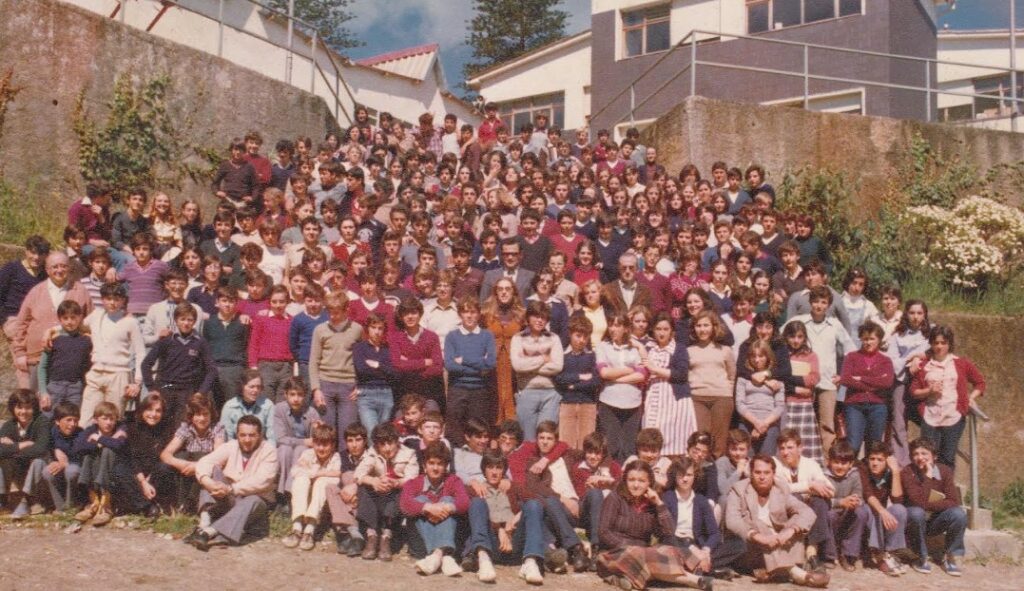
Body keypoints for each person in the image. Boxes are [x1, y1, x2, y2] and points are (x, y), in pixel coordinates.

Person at [596, 460, 714, 591]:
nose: (636, 485)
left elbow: (669, 532)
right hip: (614, 552)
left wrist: (658, 503)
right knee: (638, 555)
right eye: (631, 480)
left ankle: (626, 578)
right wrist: (628, 547)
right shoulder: (615, 498)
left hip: (644, 554)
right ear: (625, 481)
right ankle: (693, 580)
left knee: (669, 550)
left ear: (649, 483)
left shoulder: (651, 504)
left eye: (641, 481)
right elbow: (604, 532)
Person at [724, 454, 829, 588]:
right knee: (759, 524)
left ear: (773, 474)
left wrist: (790, 531)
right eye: (757, 472)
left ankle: (774, 571)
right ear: (751, 473)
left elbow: (807, 512)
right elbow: (732, 521)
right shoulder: (738, 490)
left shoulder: (780, 488)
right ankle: (798, 574)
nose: (762, 477)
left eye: (767, 472)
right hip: (752, 545)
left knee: (797, 521)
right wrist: (758, 536)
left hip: (778, 542)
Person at [187, 415, 279, 550]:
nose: (247, 440)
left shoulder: (269, 450)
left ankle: (209, 532)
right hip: (230, 497)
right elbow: (205, 462)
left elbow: (262, 481)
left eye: (252, 435)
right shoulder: (231, 446)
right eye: (243, 435)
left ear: (260, 435)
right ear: (237, 435)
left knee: (253, 500)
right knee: (211, 470)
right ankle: (204, 523)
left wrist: (231, 489)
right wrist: (210, 483)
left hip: (255, 503)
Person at [785, 286, 854, 459]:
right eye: (815, 301)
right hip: (801, 380)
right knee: (799, 424)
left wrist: (843, 375)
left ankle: (827, 461)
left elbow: (850, 350)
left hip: (826, 381)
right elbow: (780, 338)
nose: (819, 306)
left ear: (829, 305)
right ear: (810, 302)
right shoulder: (800, 320)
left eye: (823, 302)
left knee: (826, 425)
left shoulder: (835, 324)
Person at [10, 252, 93, 394]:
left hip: (70, 360)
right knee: (36, 399)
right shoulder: (36, 292)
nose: (59, 270)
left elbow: (91, 321)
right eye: (55, 267)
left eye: (63, 266)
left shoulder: (80, 291)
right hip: (37, 357)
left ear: (69, 268)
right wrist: (20, 353)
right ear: (47, 270)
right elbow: (21, 323)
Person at [463, 450, 549, 584]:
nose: (494, 472)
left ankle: (530, 562)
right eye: (490, 467)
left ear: (504, 470)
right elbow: (462, 505)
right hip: (490, 543)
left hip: (515, 542)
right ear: (484, 470)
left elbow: (541, 503)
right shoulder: (476, 489)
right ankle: (483, 560)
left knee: (533, 505)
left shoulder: (511, 486)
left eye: (498, 467)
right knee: (477, 503)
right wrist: (499, 528)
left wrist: (517, 517)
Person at [910, 325, 985, 469]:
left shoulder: (961, 363)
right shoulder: (924, 365)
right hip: (930, 417)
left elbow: (980, 383)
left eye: (943, 343)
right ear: (931, 344)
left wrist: (971, 397)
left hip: (953, 416)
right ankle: (930, 483)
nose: (939, 346)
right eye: (936, 343)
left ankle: (946, 484)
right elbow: (914, 391)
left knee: (948, 458)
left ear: (949, 344)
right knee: (928, 458)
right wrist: (929, 391)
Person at [665, 457, 744, 579]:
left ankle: (698, 566)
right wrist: (690, 548)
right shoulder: (667, 498)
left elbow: (714, 533)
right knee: (670, 551)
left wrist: (706, 550)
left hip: (698, 544)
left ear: (695, 476)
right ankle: (707, 568)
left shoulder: (701, 500)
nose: (685, 479)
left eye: (689, 475)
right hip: (676, 543)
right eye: (681, 475)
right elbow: (666, 533)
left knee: (739, 545)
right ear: (675, 476)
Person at [399, 441, 470, 576]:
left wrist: (447, 507)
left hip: (447, 538)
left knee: (448, 500)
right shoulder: (414, 483)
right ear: (424, 465)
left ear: (446, 466)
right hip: (421, 542)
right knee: (421, 500)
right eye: (431, 463)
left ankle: (437, 555)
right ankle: (445, 555)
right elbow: (404, 504)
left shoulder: (454, 481)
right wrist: (428, 508)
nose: (435, 468)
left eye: (440, 464)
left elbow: (465, 502)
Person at [141, 303, 217, 425]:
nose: (186, 323)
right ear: (176, 320)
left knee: (182, 425)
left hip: (187, 392)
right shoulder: (166, 340)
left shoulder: (201, 343)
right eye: (182, 319)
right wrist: (152, 388)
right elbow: (146, 364)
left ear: (194, 322)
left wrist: (201, 392)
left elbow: (211, 370)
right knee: (162, 424)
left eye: (190, 320)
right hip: (165, 390)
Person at [80, 281, 145, 424]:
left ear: (123, 300)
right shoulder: (96, 315)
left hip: (118, 376)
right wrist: (52, 331)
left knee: (112, 421)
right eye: (108, 299)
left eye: (117, 299)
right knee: (86, 421)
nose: (112, 303)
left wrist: (137, 382)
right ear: (103, 299)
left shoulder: (130, 322)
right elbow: (75, 327)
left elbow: (140, 352)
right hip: (96, 374)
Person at [354, 422, 420, 561]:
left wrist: (397, 482)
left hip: (395, 494)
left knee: (402, 491)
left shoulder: (408, 453)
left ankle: (386, 536)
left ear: (397, 441)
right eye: (382, 444)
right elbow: (359, 474)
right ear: (377, 445)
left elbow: (413, 478)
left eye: (390, 443)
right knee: (364, 486)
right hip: (378, 493)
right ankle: (371, 536)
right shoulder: (372, 452)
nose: (387, 448)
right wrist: (374, 481)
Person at [901, 437, 968, 576]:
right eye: (915, 454)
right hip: (913, 523)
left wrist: (929, 505)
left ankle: (952, 556)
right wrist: (928, 477)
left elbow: (953, 501)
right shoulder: (907, 472)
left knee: (959, 514)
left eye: (924, 453)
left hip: (934, 521)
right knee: (917, 512)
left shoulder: (945, 471)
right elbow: (917, 503)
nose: (920, 457)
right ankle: (920, 556)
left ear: (934, 456)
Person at [773, 429, 836, 571]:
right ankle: (800, 553)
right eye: (782, 448)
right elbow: (781, 489)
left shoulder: (810, 464)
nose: (785, 452)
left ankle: (812, 550)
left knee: (820, 501)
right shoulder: (775, 463)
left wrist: (815, 487)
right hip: (785, 508)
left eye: (790, 447)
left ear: (800, 448)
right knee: (796, 498)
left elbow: (830, 490)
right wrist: (809, 486)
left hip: (811, 508)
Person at [309, 291, 362, 450]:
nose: (332, 316)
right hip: (326, 385)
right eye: (330, 312)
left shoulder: (357, 329)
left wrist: (360, 386)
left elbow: (363, 361)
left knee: (347, 432)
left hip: (348, 387)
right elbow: (314, 361)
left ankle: (345, 463)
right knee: (326, 432)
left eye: (337, 312)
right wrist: (316, 389)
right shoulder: (320, 330)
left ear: (346, 310)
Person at [443, 297, 497, 444]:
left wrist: (463, 360)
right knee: (455, 430)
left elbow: (490, 364)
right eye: (466, 312)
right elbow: (450, 365)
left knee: (478, 430)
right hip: (457, 389)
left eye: (473, 312)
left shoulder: (487, 336)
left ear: (479, 314)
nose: (469, 316)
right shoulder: (452, 336)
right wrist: (479, 366)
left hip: (479, 390)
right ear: (460, 314)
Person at [596, 312, 648, 463]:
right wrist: (630, 369)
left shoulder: (635, 348)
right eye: (611, 325)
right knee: (611, 445)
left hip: (633, 403)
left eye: (617, 325)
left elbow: (642, 375)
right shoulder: (603, 346)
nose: (613, 329)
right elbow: (604, 373)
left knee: (628, 447)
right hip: (609, 401)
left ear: (626, 328)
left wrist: (615, 379)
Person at [160, 393, 225, 512]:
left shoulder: (217, 428)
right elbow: (165, 454)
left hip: (206, 471)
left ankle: (192, 504)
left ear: (211, 415)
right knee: (180, 457)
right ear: (191, 416)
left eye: (205, 414)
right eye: (198, 414)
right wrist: (184, 464)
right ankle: (178, 504)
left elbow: (219, 456)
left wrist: (197, 466)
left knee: (201, 456)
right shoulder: (186, 428)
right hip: (187, 469)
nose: (202, 419)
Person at [642, 312, 696, 456]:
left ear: (672, 331)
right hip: (654, 395)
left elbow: (681, 374)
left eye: (665, 329)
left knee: (675, 438)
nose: (662, 333)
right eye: (658, 329)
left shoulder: (679, 348)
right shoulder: (648, 347)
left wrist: (655, 370)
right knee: (652, 433)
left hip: (674, 398)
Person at [282, 423, 341, 551]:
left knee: (322, 482)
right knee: (301, 480)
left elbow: (337, 474)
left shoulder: (335, 457)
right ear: (313, 444)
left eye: (325, 445)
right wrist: (312, 474)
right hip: (306, 495)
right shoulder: (308, 453)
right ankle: (297, 527)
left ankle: (310, 529)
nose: (321, 448)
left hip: (321, 502)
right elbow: (295, 471)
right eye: (318, 444)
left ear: (332, 445)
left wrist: (317, 474)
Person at [510, 301, 564, 441]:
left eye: (543, 317)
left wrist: (528, 362)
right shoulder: (518, 338)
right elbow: (518, 366)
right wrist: (543, 358)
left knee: (546, 438)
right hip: (527, 391)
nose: (540, 320)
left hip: (550, 394)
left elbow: (557, 366)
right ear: (528, 318)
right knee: (528, 439)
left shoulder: (554, 338)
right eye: (536, 316)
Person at [2, 235, 51, 387]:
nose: (36, 257)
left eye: (41, 254)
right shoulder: (12, 269)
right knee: (22, 362)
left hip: (36, 320)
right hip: (15, 318)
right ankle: (26, 394)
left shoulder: (45, 274)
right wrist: (3, 320)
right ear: (26, 251)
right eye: (33, 252)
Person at [838, 321, 895, 454]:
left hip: (878, 406)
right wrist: (875, 383)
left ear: (879, 340)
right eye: (865, 339)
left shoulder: (885, 360)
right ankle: (852, 467)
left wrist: (861, 378)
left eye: (872, 339)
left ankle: (869, 468)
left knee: (874, 446)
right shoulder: (851, 357)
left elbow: (887, 382)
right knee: (853, 445)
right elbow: (845, 379)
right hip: (854, 405)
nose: (868, 342)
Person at [886, 299, 931, 467]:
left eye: (919, 313)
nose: (915, 317)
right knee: (899, 421)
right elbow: (891, 359)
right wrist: (909, 360)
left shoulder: (931, 332)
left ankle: (928, 459)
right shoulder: (898, 335)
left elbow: (935, 351)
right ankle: (902, 463)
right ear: (906, 314)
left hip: (924, 380)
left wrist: (918, 357)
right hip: (902, 379)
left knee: (928, 419)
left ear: (925, 315)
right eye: (912, 313)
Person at [687, 310, 736, 458]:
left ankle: (716, 469)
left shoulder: (725, 350)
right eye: (698, 325)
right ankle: (700, 468)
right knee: (701, 439)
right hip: (697, 398)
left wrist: (726, 392)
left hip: (721, 398)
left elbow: (732, 375)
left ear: (714, 327)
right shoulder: (688, 350)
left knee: (719, 441)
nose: (702, 329)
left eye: (706, 325)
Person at [119, 393, 176, 518]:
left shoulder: (167, 430)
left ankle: (147, 503)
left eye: (158, 411)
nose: (153, 414)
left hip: (154, 475)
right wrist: (143, 482)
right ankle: (148, 506)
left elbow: (162, 457)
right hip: (137, 474)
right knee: (120, 470)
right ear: (142, 410)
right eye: (149, 409)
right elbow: (132, 458)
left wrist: (149, 480)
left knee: (165, 467)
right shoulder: (133, 428)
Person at [72, 401, 127, 526]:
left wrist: (99, 439)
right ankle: (94, 502)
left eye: (112, 419)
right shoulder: (91, 429)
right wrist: (97, 445)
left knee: (108, 450)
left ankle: (106, 505)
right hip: (96, 470)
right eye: (105, 419)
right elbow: (77, 447)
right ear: (96, 420)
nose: (109, 423)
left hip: (116, 471)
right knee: (88, 455)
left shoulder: (120, 428)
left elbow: (119, 445)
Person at [858, 441, 908, 577]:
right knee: (871, 510)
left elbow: (897, 500)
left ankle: (891, 553)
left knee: (899, 510)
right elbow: (867, 494)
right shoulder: (862, 468)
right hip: (865, 511)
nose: (875, 463)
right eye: (872, 459)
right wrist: (883, 511)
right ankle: (880, 556)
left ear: (887, 460)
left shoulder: (889, 473)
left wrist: (896, 472)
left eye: (880, 460)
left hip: (879, 513)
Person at [0, 390, 52, 518]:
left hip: (39, 474)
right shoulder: (9, 425)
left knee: (39, 460)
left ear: (34, 408)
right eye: (19, 407)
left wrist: (11, 448)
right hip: (18, 470)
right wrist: (20, 445)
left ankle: (26, 500)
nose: (23, 412)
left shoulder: (42, 422)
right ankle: (2, 500)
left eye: (28, 408)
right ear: (13, 408)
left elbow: (41, 449)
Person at [554, 315, 602, 449]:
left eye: (585, 337)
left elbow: (595, 381)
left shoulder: (591, 356)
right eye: (578, 336)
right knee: (566, 443)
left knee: (586, 443)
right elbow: (559, 378)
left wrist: (573, 386)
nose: (582, 340)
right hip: (567, 403)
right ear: (570, 334)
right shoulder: (563, 356)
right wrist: (580, 376)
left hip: (588, 403)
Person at [37, 300, 92, 414]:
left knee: (72, 417)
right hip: (55, 386)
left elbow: (88, 366)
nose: (69, 322)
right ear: (59, 319)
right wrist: (43, 392)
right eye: (65, 318)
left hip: (76, 387)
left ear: (80, 317)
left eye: (73, 317)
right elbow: (42, 367)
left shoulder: (86, 340)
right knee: (48, 417)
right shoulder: (53, 339)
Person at [822, 440, 868, 572]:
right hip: (832, 512)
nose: (840, 466)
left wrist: (854, 501)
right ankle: (829, 555)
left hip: (848, 512)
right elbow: (824, 501)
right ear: (829, 462)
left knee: (861, 512)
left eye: (844, 463)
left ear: (850, 464)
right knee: (829, 515)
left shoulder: (854, 474)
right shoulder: (824, 475)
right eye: (836, 462)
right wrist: (841, 502)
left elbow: (858, 495)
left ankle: (848, 554)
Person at [734, 341, 785, 456]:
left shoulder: (776, 379)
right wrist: (756, 423)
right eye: (753, 356)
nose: (757, 360)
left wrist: (764, 424)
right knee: (746, 459)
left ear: (768, 357)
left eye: (761, 356)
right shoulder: (743, 378)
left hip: (769, 425)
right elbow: (740, 404)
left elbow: (780, 407)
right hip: (747, 424)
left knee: (766, 459)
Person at [273, 378, 322, 497]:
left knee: (300, 450)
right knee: (285, 450)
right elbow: (280, 438)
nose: (296, 399)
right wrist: (303, 441)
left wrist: (317, 429)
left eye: (300, 395)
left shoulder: (311, 412)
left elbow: (316, 440)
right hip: (286, 447)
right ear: (286, 395)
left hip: (304, 451)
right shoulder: (279, 409)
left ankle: (289, 491)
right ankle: (282, 493)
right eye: (292, 394)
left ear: (304, 396)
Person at [247, 285, 293, 403]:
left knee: (283, 402)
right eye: (274, 301)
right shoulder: (261, 319)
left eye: (282, 301)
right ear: (269, 302)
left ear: (287, 302)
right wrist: (253, 366)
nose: (278, 305)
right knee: (266, 402)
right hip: (266, 366)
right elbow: (254, 343)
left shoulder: (292, 321)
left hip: (286, 367)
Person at [203, 286, 249, 406]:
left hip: (234, 370)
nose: (227, 305)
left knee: (233, 406)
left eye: (231, 301)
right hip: (214, 369)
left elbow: (246, 345)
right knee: (212, 406)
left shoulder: (243, 323)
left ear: (236, 303)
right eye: (224, 301)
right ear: (217, 302)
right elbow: (205, 347)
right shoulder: (208, 323)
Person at [352, 313, 395, 433]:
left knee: (384, 435)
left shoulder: (388, 349)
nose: (377, 332)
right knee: (371, 433)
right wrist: (385, 370)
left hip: (386, 393)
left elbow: (394, 373)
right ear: (367, 329)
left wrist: (377, 365)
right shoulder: (359, 347)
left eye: (380, 328)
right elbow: (362, 370)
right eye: (373, 327)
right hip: (366, 394)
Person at [41, 401, 83, 512]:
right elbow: (45, 449)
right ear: (57, 421)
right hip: (59, 468)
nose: (72, 424)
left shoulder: (80, 434)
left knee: (71, 471)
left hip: (75, 468)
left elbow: (81, 457)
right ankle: (59, 506)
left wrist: (65, 463)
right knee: (47, 472)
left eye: (75, 420)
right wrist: (53, 458)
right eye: (68, 420)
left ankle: (71, 504)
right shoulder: (52, 432)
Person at [220, 370, 276, 443]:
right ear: (242, 387)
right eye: (251, 387)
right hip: (236, 447)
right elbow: (226, 437)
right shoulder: (229, 407)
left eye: (258, 387)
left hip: (261, 447)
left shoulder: (268, 405)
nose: (255, 390)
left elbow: (272, 436)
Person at [479, 238, 535, 302]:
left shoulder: (530, 276)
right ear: (501, 255)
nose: (510, 257)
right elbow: (483, 302)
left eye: (514, 254)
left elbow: (533, 304)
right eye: (506, 254)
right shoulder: (490, 275)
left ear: (520, 255)